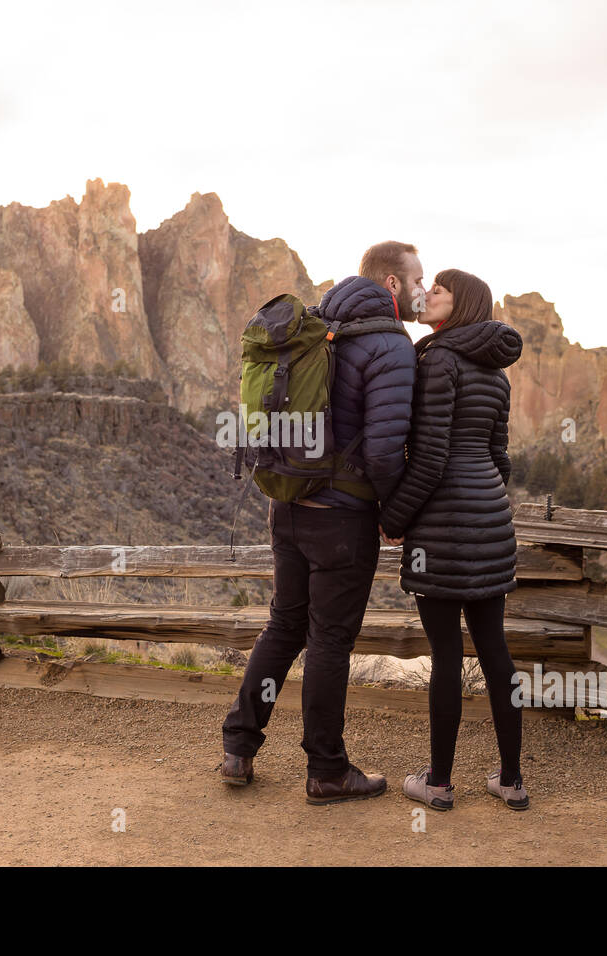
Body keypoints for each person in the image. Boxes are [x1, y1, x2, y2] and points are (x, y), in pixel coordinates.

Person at [220, 241, 420, 804]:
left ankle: (238, 746)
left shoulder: (316, 326)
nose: (423, 287)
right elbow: (383, 453)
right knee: (330, 640)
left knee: (283, 626)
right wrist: (394, 512)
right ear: (392, 285)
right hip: (341, 517)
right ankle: (327, 770)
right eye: (418, 278)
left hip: (287, 504)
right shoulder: (389, 345)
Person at [378, 268, 530, 811]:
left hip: (441, 530)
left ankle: (438, 784)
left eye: (440, 289)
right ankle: (511, 781)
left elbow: (430, 459)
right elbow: (500, 459)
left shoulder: (438, 359)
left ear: (461, 303)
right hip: (492, 524)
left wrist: (393, 518)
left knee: (446, 655)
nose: (429, 294)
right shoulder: (497, 372)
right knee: (495, 653)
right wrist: (482, 503)